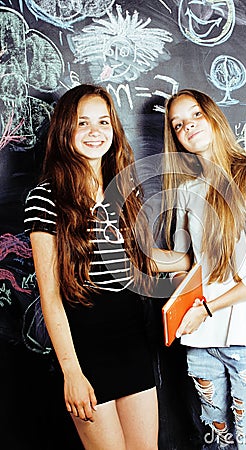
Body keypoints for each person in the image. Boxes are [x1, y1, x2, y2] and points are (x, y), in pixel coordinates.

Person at [24, 84, 190, 450]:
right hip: (85, 353)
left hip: (133, 345)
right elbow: (50, 297)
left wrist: (194, 261)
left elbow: (142, 259)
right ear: (65, 130)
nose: (95, 131)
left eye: (103, 122)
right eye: (83, 123)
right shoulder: (46, 197)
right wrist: (71, 372)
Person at [160, 88, 246, 449]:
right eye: (178, 124)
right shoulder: (187, 190)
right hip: (200, 343)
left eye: (195, 114)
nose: (188, 126)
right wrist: (135, 250)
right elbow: (185, 264)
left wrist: (208, 308)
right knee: (217, 444)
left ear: (213, 115)